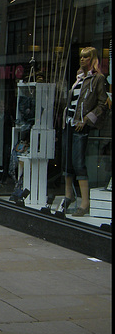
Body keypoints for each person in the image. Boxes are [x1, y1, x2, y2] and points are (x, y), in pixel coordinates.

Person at [61, 46, 108, 216]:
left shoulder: (98, 79)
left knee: (79, 162)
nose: (82, 60)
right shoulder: (79, 78)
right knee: (67, 161)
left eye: (86, 57)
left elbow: (103, 104)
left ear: (92, 59)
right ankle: (68, 195)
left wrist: (87, 119)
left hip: (81, 125)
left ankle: (85, 202)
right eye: (81, 57)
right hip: (69, 123)